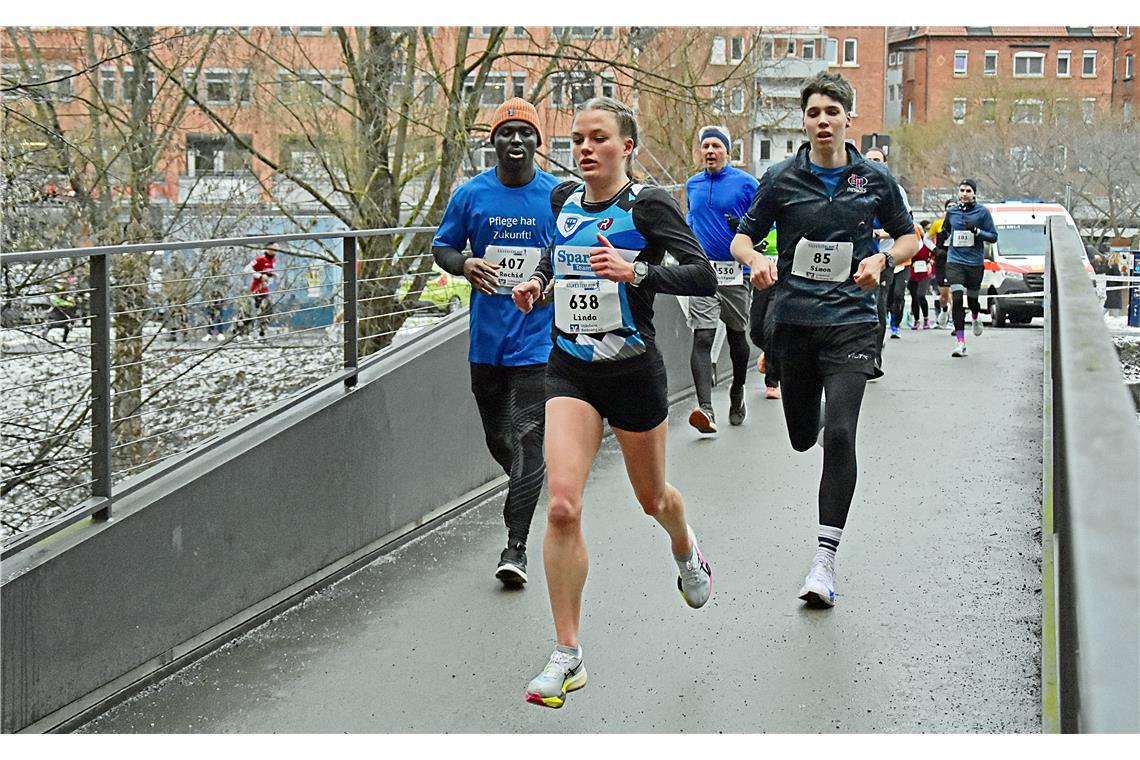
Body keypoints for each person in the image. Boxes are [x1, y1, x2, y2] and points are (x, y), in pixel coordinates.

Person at [512, 96, 717, 708]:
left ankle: (686, 549)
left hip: (632, 372)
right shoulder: (561, 202)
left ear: (627, 146)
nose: (584, 149)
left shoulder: (647, 206)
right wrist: (538, 283)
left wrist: (637, 274)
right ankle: (567, 654)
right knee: (564, 507)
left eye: (598, 138)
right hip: (569, 368)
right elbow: (560, 254)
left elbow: (703, 274)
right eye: (577, 138)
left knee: (653, 498)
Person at [729, 71, 918, 608]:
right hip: (794, 324)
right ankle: (802, 406)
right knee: (802, 436)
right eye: (813, 113)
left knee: (839, 434)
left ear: (847, 118)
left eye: (831, 112)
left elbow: (910, 237)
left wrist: (883, 258)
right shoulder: (781, 178)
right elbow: (743, 238)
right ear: (804, 122)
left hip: (852, 323)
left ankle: (823, 561)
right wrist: (758, 260)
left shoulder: (873, 180)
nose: (822, 122)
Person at [431, 97, 560, 586]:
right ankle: (528, 482)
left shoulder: (556, 195)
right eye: (507, 133)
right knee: (499, 438)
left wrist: (550, 286)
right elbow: (443, 246)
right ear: (494, 142)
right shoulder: (470, 195)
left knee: (528, 437)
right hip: (486, 342)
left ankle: (516, 547)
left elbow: (572, 250)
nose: (516, 141)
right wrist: (465, 264)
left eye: (526, 133)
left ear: (537, 143)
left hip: (537, 342)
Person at [683, 125, 759, 432]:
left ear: (727, 151)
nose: (710, 151)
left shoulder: (746, 183)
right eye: (706, 146)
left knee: (737, 335)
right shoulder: (692, 184)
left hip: (736, 272)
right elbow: (691, 221)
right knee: (702, 336)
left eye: (716, 146)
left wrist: (743, 226)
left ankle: (737, 390)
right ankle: (706, 409)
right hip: (702, 271)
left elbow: (765, 222)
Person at [944, 179, 998, 357]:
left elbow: (993, 237)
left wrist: (976, 232)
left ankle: (975, 316)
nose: (964, 193)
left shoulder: (982, 212)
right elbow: (945, 231)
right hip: (955, 261)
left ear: (974, 193)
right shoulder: (952, 212)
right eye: (962, 190)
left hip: (974, 263)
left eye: (968, 190)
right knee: (958, 298)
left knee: (973, 300)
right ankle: (960, 342)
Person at [748, 223, 782, 399]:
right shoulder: (764, 213)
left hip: (783, 279)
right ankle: (769, 354)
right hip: (762, 277)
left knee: (772, 328)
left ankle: (772, 381)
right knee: (756, 331)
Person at [235, 249, 277, 339]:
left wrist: (272, 276)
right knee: (250, 312)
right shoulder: (260, 260)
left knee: (266, 312)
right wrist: (260, 276)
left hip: (265, 290)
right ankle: (242, 332)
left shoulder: (273, 261)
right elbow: (246, 270)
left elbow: (268, 275)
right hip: (255, 291)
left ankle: (261, 333)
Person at [930, 198, 955, 327]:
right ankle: (944, 309)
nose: (951, 208)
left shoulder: (962, 223)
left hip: (955, 259)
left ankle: (954, 320)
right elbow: (926, 239)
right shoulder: (938, 224)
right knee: (944, 294)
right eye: (949, 206)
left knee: (955, 291)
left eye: (954, 206)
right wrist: (935, 250)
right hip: (942, 259)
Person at [908, 221, 935, 329]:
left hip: (924, 272)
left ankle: (926, 319)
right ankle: (916, 320)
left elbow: (933, 254)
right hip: (913, 272)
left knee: (921, 295)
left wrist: (930, 262)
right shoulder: (910, 245)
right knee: (914, 297)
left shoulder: (926, 244)